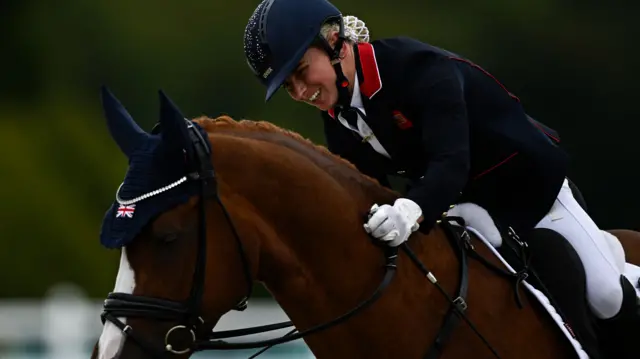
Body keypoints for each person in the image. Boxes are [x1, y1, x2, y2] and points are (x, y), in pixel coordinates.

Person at [242, 0, 639, 351]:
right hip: (470, 205)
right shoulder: (340, 120)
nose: (299, 91)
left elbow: (451, 162)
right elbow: (361, 193)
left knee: (605, 296)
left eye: (299, 72)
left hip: (534, 190)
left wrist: (408, 211)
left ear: (334, 43)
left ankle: (630, 277)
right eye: (287, 86)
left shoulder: (420, 70)